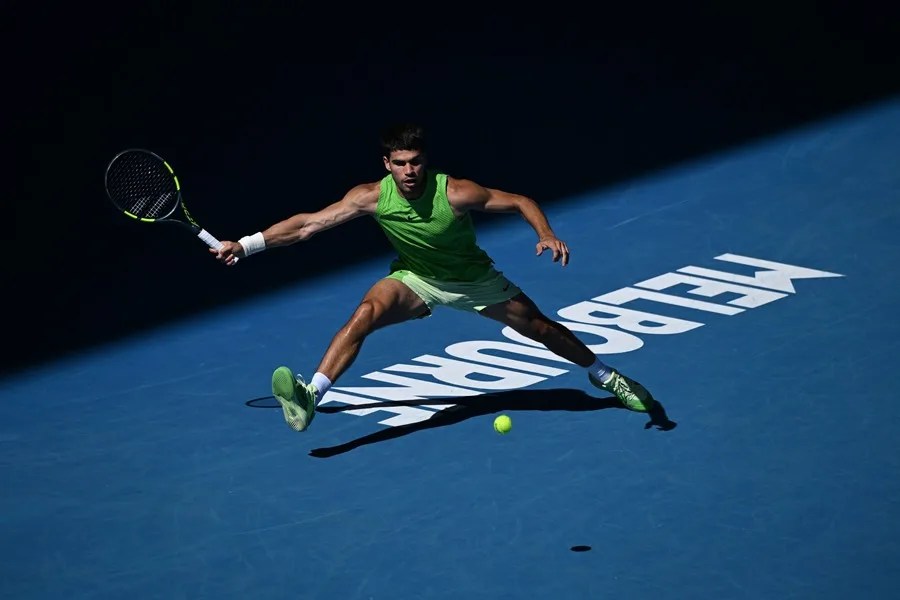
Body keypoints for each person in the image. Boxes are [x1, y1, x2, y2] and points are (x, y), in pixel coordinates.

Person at [211, 123, 656, 432]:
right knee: (366, 312)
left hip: (474, 280)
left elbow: (520, 199)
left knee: (540, 328)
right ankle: (312, 396)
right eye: (400, 163)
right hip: (417, 278)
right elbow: (306, 225)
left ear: (426, 162)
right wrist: (246, 245)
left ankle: (607, 376)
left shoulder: (455, 192)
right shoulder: (369, 197)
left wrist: (546, 233)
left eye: (417, 162)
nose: (409, 171)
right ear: (386, 163)